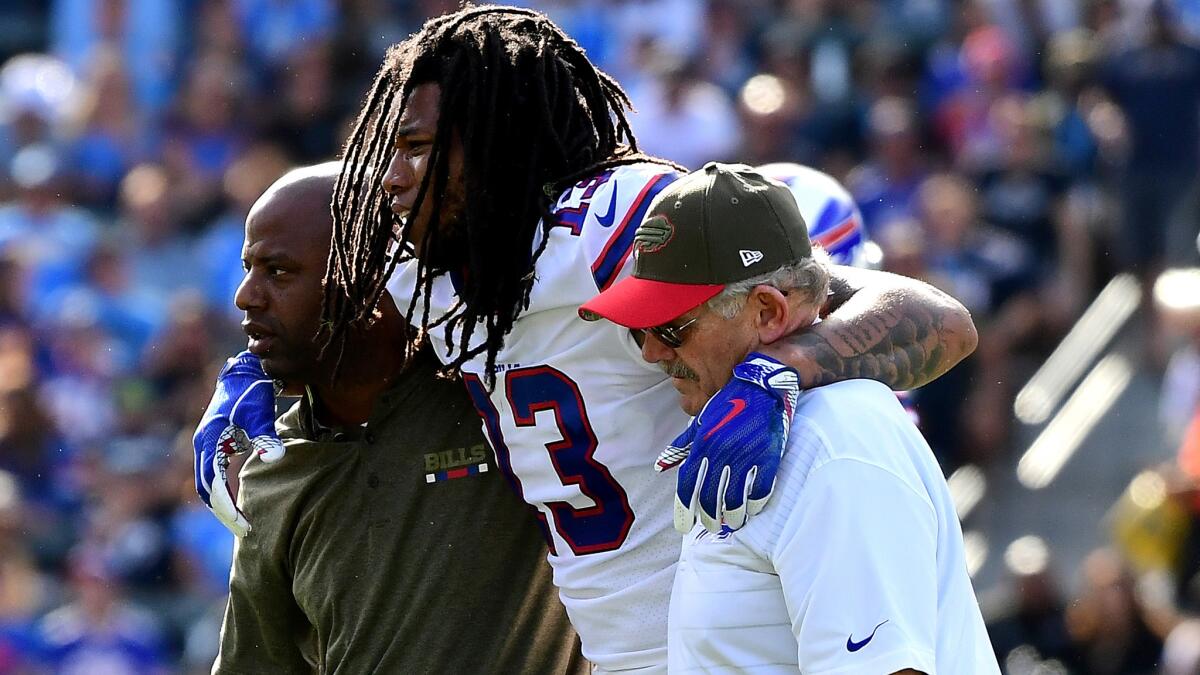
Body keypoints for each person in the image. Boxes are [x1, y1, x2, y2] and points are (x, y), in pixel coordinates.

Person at [197, 7, 979, 671]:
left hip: (736, 622)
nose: (392, 177)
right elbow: (326, 303)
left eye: (419, 148)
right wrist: (247, 377)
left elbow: (935, 319)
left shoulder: (609, 221)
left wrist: (782, 367)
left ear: (499, 142)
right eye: (392, 149)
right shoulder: (428, 271)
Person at [580, 162, 998, 673]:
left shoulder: (836, 443)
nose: (648, 352)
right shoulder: (763, 423)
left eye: (670, 327)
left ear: (768, 313)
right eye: (639, 329)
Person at [202, 163, 583, 673]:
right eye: (249, 268)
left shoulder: (495, 393)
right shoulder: (272, 469)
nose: (245, 295)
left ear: (375, 275)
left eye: (278, 271)